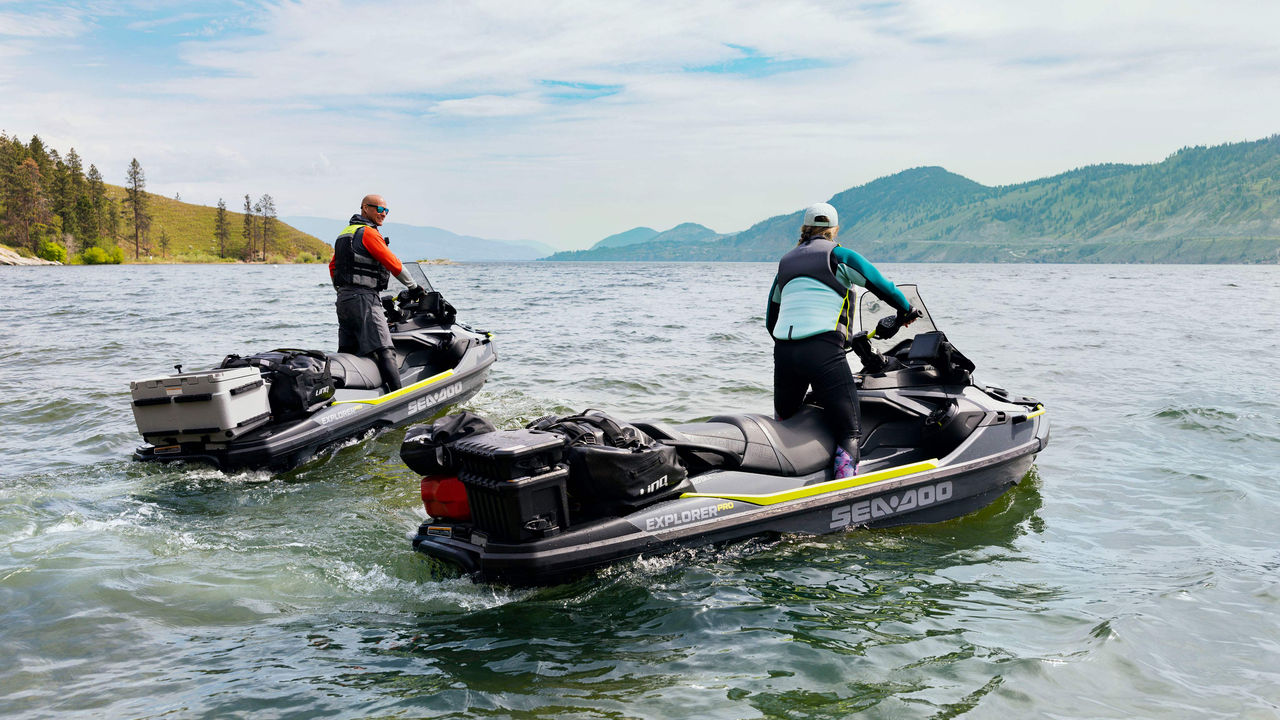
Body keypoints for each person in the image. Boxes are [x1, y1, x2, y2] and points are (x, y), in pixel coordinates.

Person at [765, 202, 914, 477]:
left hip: (784, 352)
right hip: (822, 352)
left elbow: (770, 320)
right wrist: (905, 309)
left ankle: (780, 481)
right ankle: (844, 502)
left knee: (785, 423)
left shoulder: (785, 263)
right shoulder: (838, 256)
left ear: (805, 229)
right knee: (849, 430)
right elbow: (880, 284)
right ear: (834, 230)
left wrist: (792, 344)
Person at [329, 194, 423, 392]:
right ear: (365, 208)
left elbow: (333, 266)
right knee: (384, 350)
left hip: (344, 300)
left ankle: (343, 398)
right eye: (379, 210)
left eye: (386, 210)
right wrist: (414, 287)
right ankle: (398, 400)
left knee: (348, 351)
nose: (383, 214)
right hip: (364, 298)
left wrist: (342, 290)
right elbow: (392, 262)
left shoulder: (345, 233)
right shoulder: (368, 233)